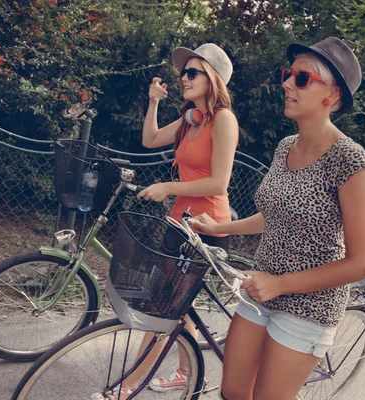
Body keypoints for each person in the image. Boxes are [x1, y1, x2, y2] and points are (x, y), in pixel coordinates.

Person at [190, 37, 365, 400]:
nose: (287, 84)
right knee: (231, 391)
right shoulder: (285, 146)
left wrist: (281, 284)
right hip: (259, 289)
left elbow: (362, 263)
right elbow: (276, 216)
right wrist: (219, 227)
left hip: (309, 306)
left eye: (302, 79)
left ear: (332, 94)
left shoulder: (351, 163)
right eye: (288, 74)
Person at [96, 43, 239, 400]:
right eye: (183, 73)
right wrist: (154, 103)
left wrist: (168, 186)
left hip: (206, 227)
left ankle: (128, 387)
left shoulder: (223, 120)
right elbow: (149, 139)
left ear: (214, 79)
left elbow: (220, 182)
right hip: (180, 223)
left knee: (162, 307)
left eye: (193, 72)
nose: (183, 78)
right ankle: (187, 373)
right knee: (177, 307)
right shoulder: (192, 118)